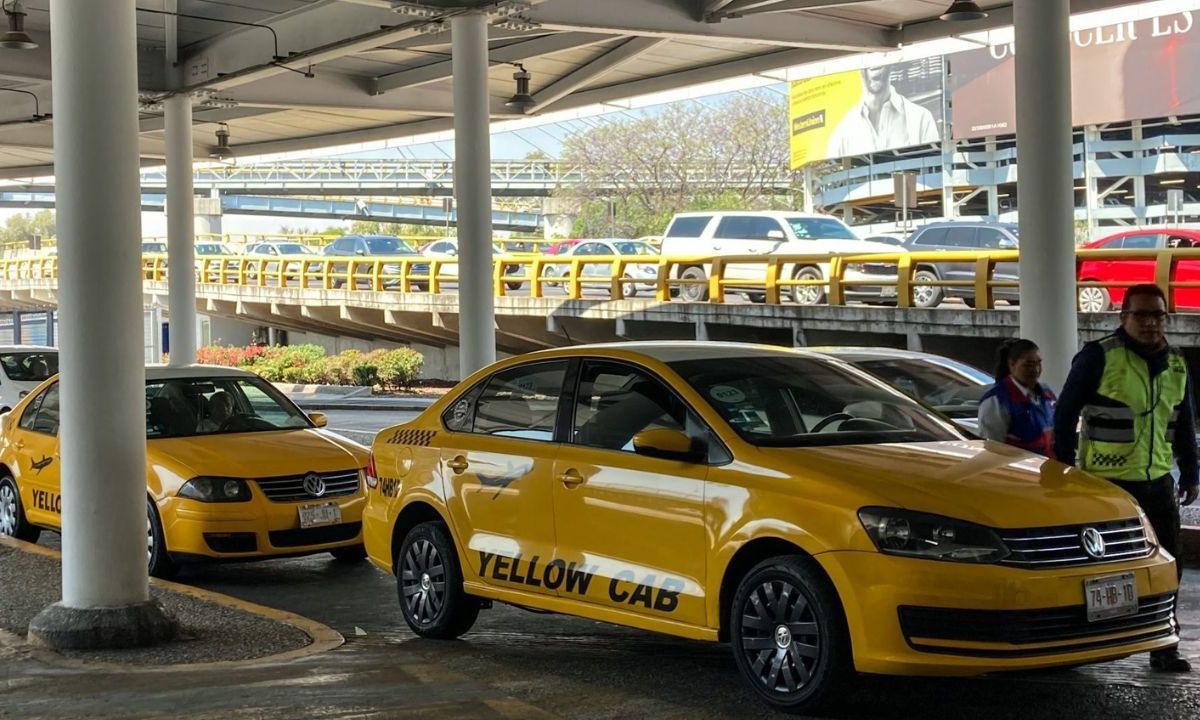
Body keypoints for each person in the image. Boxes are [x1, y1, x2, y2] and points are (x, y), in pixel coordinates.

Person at [1054, 283, 1199, 673]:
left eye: (1158, 315)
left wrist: (1191, 471)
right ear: (1123, 317)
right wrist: (1064, 470)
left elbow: (1183, 421)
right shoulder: (1098, 357)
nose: (1151, 323)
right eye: (1142, 315)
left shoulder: (1176, 364)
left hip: (1157, 483)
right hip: (1107, 486)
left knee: (1168, 567)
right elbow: (1065, 414)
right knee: (1100, 572)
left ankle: (1164, 645)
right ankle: (1088, 643)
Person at [826, 65, 940, 158]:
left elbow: (934, 169)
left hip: (909, 185)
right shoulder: (843, 131)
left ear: (891, 64)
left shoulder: (921, 118)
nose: (873, 66)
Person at [976, 339, 1056, 456]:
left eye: (1038, 363)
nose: (1035, 370)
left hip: (1049, 469)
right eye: (1028, 364)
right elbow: (993, 450)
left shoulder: (1047, 394)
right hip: (1019, 471)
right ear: (1012, 364)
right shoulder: (996, 401)